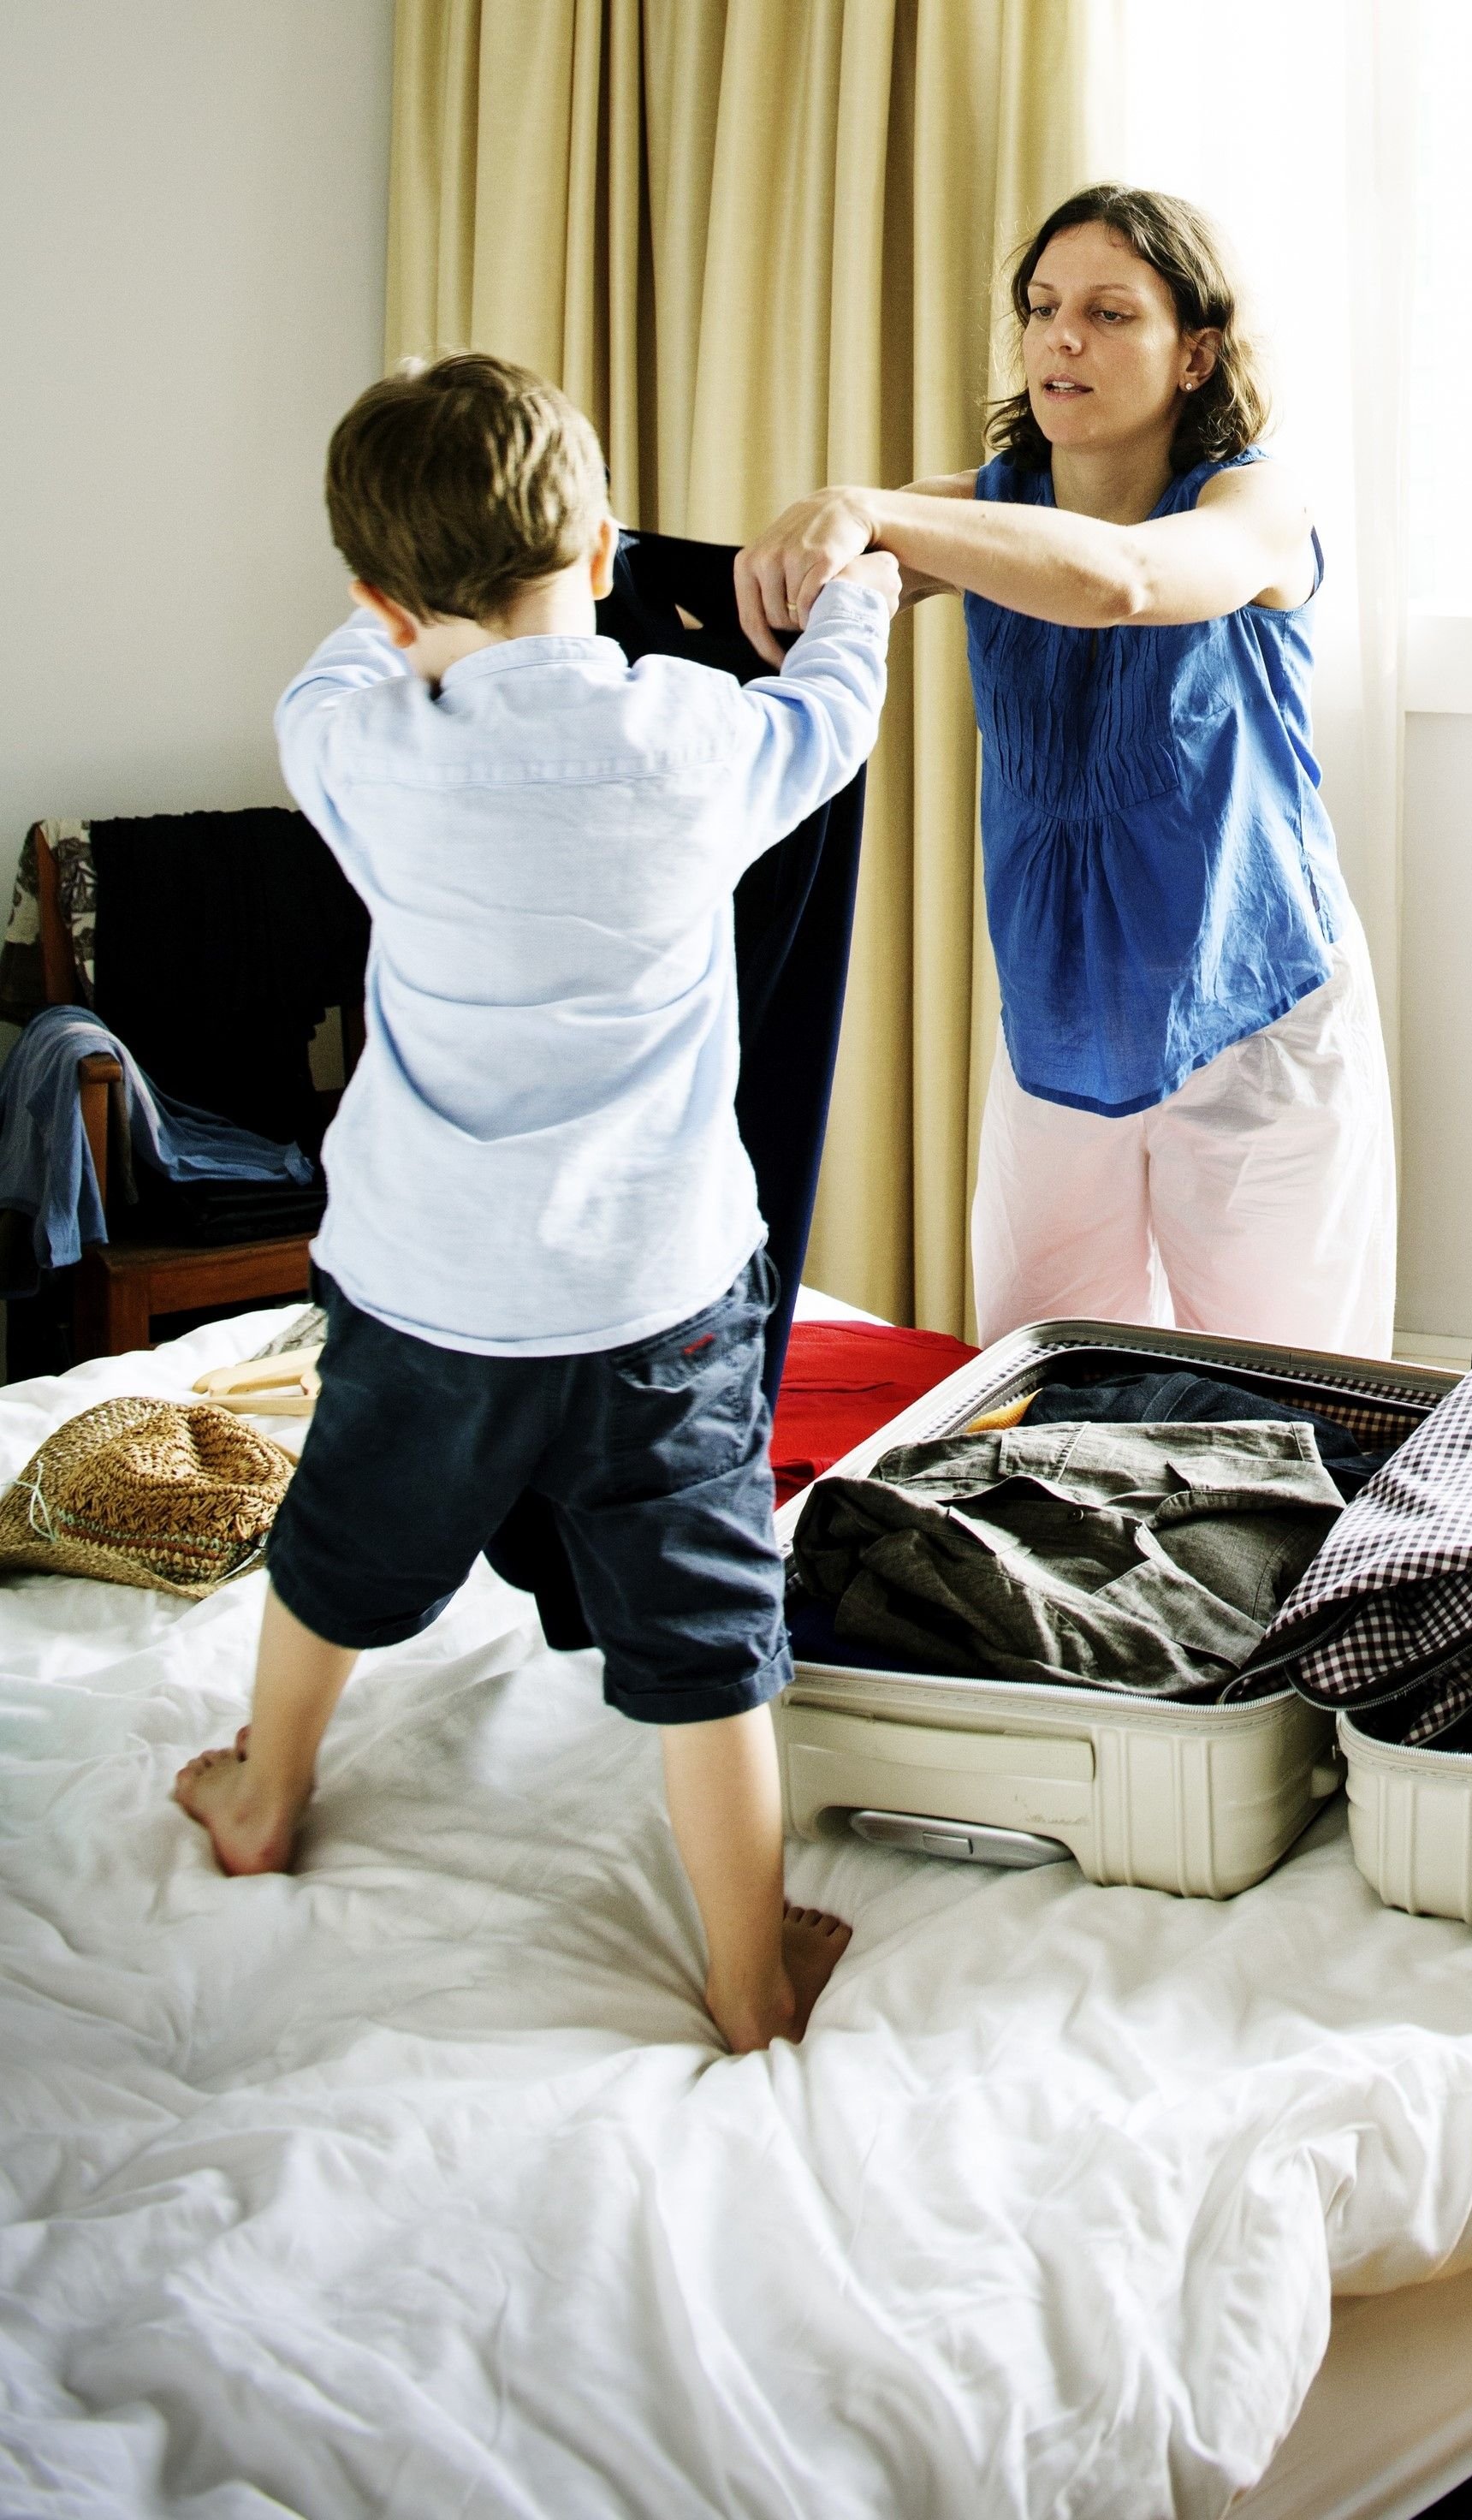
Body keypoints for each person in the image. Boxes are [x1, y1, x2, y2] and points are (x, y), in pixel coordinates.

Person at [171, 353, 899, 2054]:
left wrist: (386, 620)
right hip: (659, 1291)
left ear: (378, 592)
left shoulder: (357, 749)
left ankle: (267, 1788)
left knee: (339, 1542)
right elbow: (831, 717)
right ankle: (743, 1971)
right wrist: (855, 595)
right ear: (598, 542)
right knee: (704, 1623)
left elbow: (339, 671)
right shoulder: (696, 737)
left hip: (428, 1288)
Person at [735, 183, 1397, 1357]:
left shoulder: (1256, 503)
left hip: (1256, 1017)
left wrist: (866, 510)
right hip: (1058, 1027)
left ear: (1197, 352)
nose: (1061, 340)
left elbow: (1125, 583)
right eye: (1041, 310)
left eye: (1108, 313)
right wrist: (824, 542)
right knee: (1040, 1405)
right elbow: (835, 565)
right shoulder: (983, 511)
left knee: (1283, 1414)